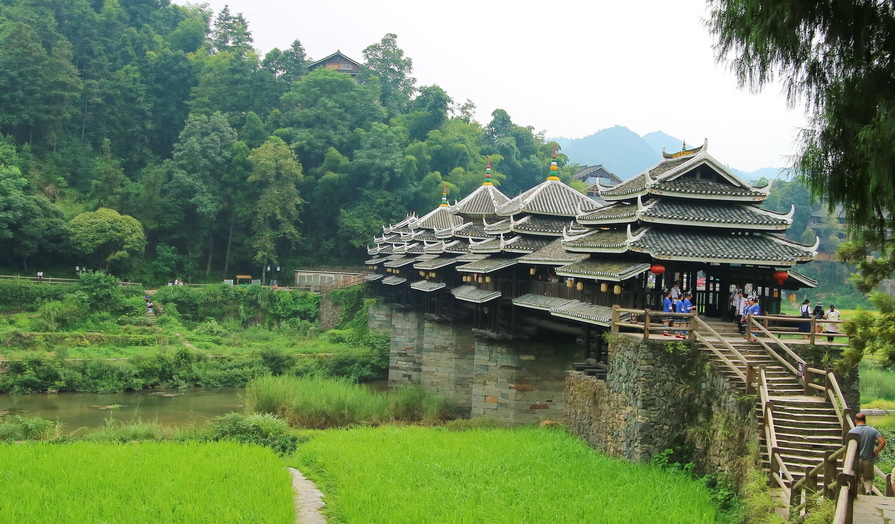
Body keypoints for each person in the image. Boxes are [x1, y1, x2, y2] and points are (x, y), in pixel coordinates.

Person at [848, 413, 886, 495]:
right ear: (865, 420)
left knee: (854, 476)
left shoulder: (852, 431)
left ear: (855, 421)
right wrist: (876, 452)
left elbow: (847, 447)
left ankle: (855, 493)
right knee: (868, 478)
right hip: (868, 460)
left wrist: (845, 459)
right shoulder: (873, 430)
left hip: (856, 459)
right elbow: (882, 442)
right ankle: (868, 490)